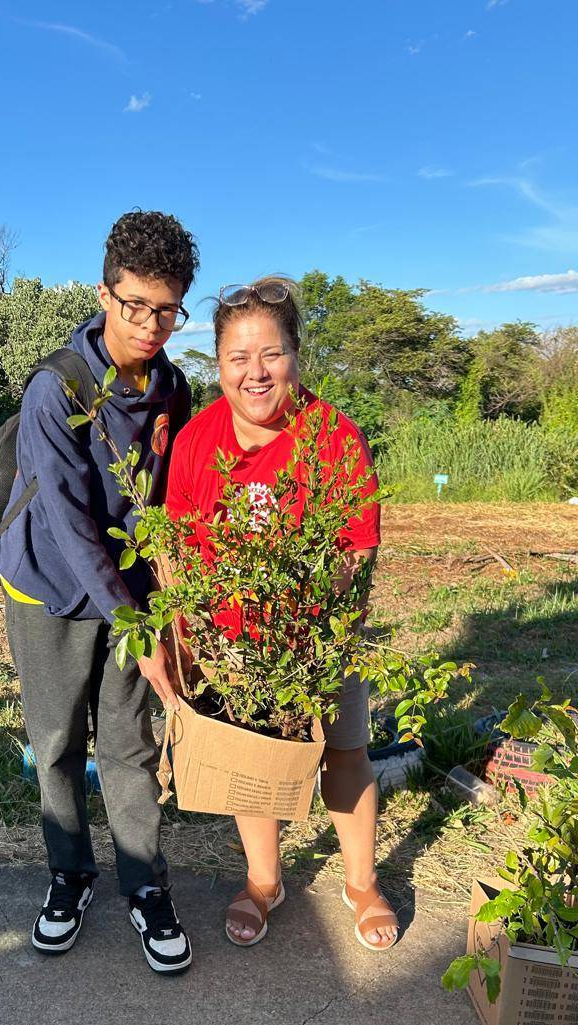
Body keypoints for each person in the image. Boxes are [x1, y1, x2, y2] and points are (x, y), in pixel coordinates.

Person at [165, 278, 398, 951]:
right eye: (238, 358)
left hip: (321, 640)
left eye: (271, 354)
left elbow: (356, 544)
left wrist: (319, 631)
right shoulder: (195, 442)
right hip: (232, 645)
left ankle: (361, 883)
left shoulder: (332, 435)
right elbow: (176, 549)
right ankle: (264, 882)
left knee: (345, 753)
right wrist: (190, 638)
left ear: (295, 354)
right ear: (218, 364)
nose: (255, 372)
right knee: (254, 761)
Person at [0, 211, 198, 973]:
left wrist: (169, 610)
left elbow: (168, 506)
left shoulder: (174, 386)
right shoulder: (57, 387)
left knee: (127, 744)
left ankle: (145, 887)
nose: (150, 325)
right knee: (54, 742)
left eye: (168, 308)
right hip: (46, 584)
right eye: (134, 304)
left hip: (130, 593)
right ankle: (69, 875)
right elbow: (71, 523)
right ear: (105, 292)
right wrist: (138, 630)